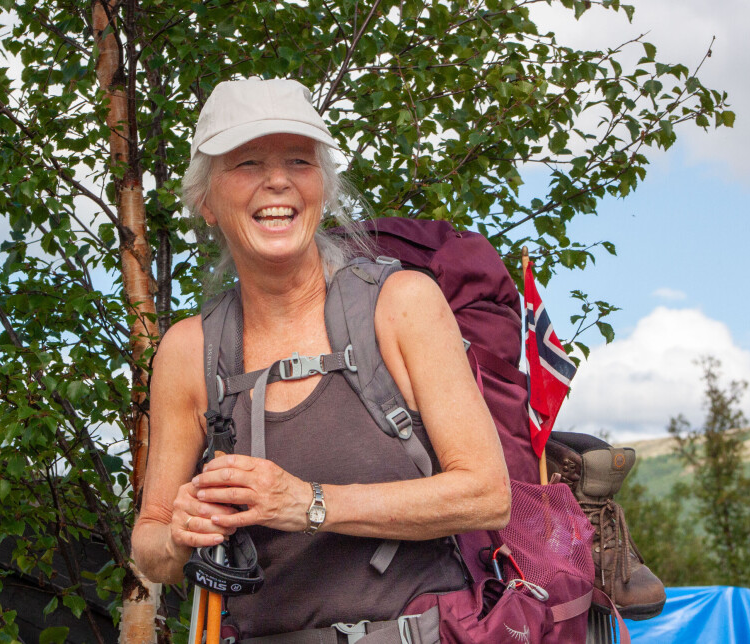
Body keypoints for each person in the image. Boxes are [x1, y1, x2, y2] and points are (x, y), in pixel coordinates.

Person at [131, 77, 511, 641]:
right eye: (247, 163)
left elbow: (487, 495)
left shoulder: (400, 304)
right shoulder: (190, 351)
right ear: (206, 203)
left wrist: (306, 503)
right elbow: (149, 545)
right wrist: (179, 536)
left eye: (299, 161)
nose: (277, 180)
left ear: (324, 188)